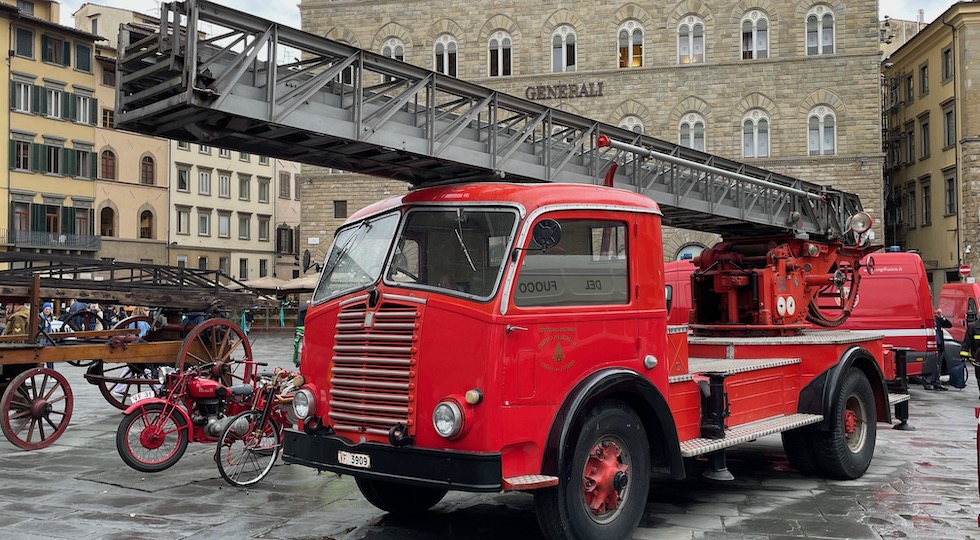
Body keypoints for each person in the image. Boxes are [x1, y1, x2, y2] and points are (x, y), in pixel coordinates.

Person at [924, 308, 953, 390]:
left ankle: (936, 382)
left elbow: (949, 325)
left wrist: (941, 316)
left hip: (939, 345)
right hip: (930, 346)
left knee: (938, 365)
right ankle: (927, 383)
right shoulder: (927, 321)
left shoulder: (938, 320)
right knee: (929, 364)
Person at [960, 316, 980, 398]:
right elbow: (967, 342)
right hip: (978, 359)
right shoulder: (973, 327)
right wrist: (963, 355)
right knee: (979, 378)